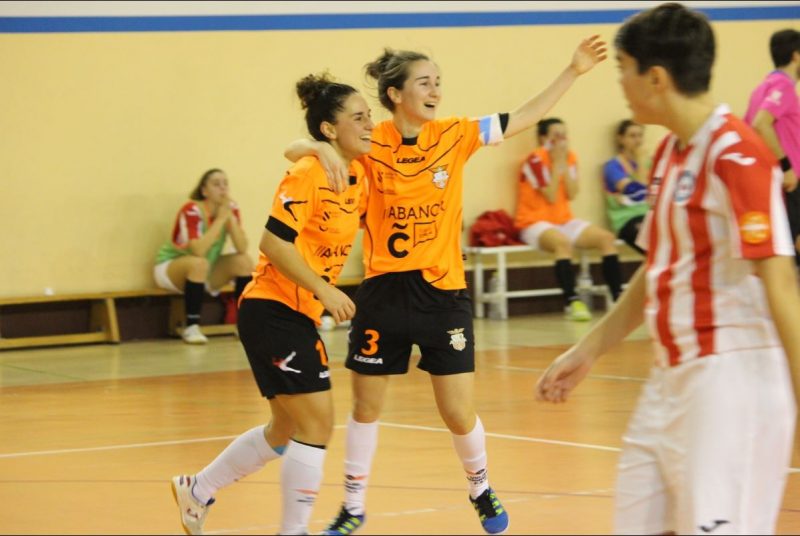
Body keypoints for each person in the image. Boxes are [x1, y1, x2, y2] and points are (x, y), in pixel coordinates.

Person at [286, 36, 607, 535]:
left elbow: (522, 116)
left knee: (458, 412)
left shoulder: (456, 135)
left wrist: (573, 71)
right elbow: (301, 150)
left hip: (443, 293)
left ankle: (479, 486)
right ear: (395, 94)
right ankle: (353, 505)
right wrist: (310, 144)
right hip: (384, 292)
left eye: (438, 82)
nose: (436, 90)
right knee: (365, 407)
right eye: (424, 82)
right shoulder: (371, 143)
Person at [536, 4, 800, 534]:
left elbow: (781, 284)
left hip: (731, 379)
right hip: (669, 378)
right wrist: (587, 349)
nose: (621, 85)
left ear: (655, 77)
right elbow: (659, 266)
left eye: (623, 69)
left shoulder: (738, 154)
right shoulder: (670, 155)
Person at [170, 73, 374, 535]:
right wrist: (325, 290)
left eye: (370, 116)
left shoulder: (358, 170)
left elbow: (297, 143)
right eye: (358, 117)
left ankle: (197, 489)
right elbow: (273, 243)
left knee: (284, 430)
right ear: (329, 128)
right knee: (317, 424)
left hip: (296, 313)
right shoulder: (308, 173)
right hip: (272, 308)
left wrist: (312, 145)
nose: (369, 125)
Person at [514, 117, 624, 322]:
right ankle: (573, 301)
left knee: (606, 238)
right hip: (532, 222)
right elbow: (550, 194)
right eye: (556, 135)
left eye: (564, 134)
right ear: (543, 138)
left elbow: (572, 194)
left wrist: (564, 164)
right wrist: (556, 164)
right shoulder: (534, 160)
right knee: (563, 243)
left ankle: (618, 298)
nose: (562, 140)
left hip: (563, 219)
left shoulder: (571, 157)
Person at [154, 168, 254, 344]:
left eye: (225, 183)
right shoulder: (192, 210)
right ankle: (191, 326)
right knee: (198, 263)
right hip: (171, 269)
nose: (222, 188)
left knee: (244, 261)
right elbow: (198, 250)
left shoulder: (230, 209)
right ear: (204, 190)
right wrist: (221, 220)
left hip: (205, 267)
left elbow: (242, 247)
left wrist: (229, 218)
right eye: (216, 184)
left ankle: (244, 325)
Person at [745, 28, 800, 266]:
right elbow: (760, 124)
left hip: (779, 181)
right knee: (785, 251)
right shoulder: (783, 86)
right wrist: (786, 166)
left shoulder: (763, 86)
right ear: (796, 55)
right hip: (790, 181)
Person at [602, 119, 649, 254]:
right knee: (654, 250)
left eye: (640, 135)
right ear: (621, 139)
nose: (638, 140)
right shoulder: (612, 166)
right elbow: (637, 192)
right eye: (632, 136)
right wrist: (640, 160)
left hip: (649, 217)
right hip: (627, 221)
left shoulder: (649, 163)